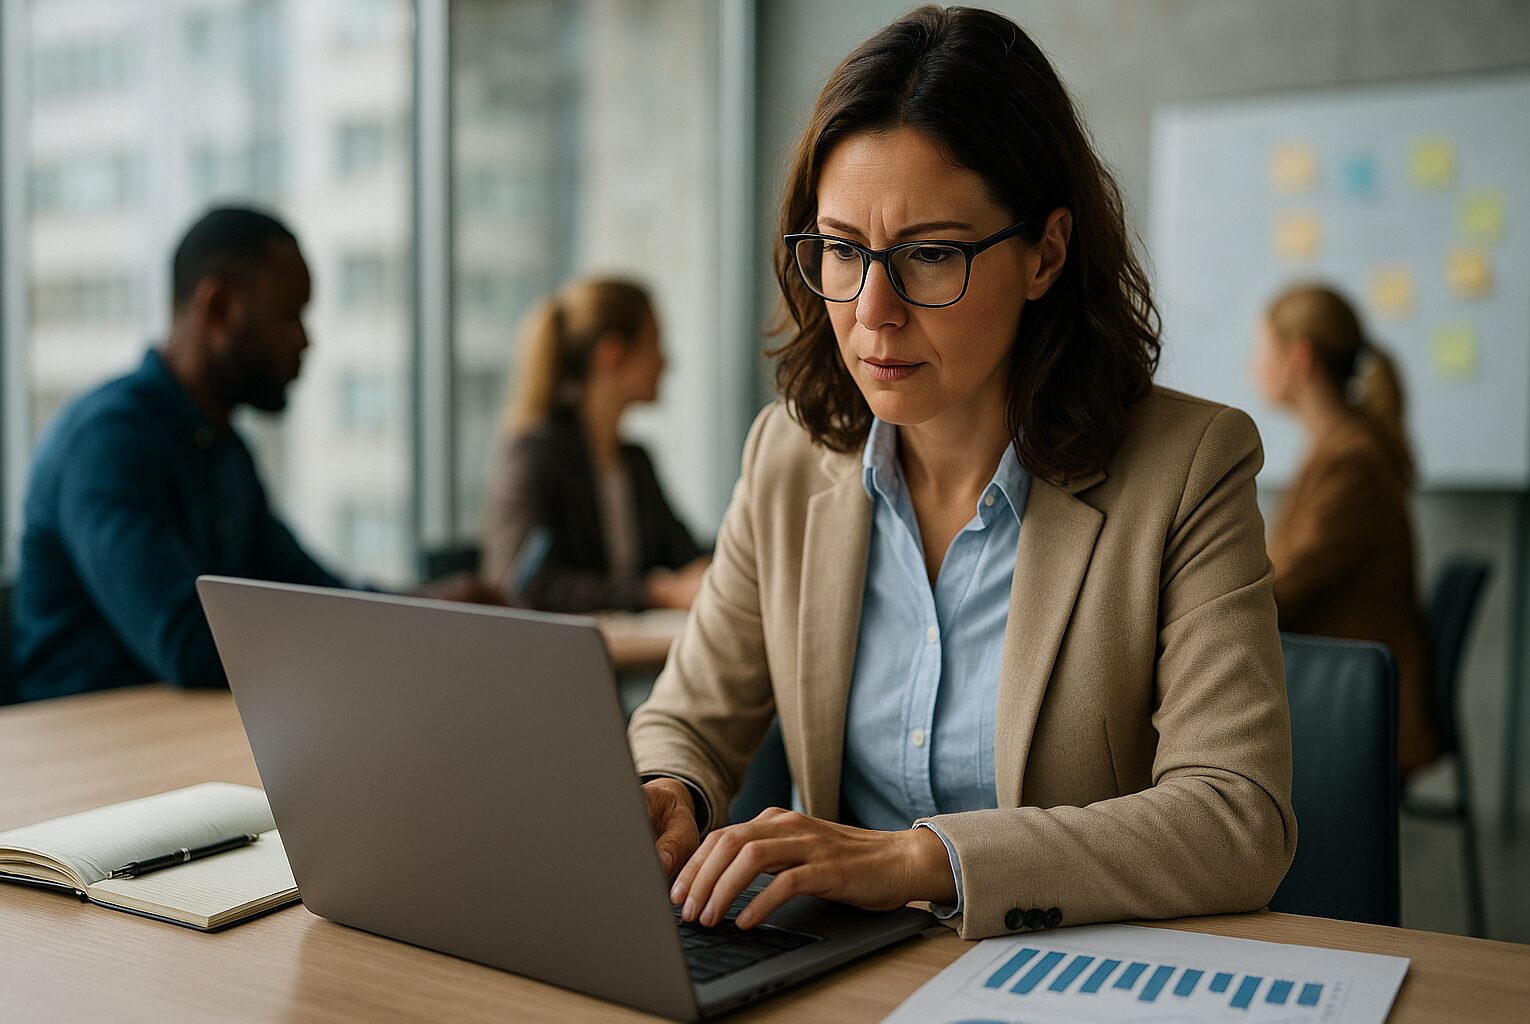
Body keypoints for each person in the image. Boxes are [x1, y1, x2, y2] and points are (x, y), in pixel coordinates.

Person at [629, 6, 1296, 941]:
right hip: (845, 983)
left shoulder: (1187, 468)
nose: (873, 313)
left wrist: (917, 859)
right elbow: (685, 719)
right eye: (843, 250)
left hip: (1070, 985)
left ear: (1046, 253)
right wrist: (671, 791)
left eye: (931, 254)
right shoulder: (786, 457)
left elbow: (1236, 818)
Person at [13, 206, 496, 703]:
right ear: (219, 307)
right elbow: (187, 643)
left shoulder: (223, 447)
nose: (305, 340)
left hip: (180, 731)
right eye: (289, 315)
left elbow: (306, 588)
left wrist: (424, 610)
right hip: (86, 751)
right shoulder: (107, 442)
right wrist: (402, 627)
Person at [1255, 283, 1440, 776]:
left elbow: (1286, 589)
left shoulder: (1350, 463)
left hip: (1351, 706)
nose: (1255, 364)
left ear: (1298, 358)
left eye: (1263, 349)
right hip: (1333, 686)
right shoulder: (1337, 450)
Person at [481, 277, 709, 613]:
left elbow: (684, 555)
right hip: (561, 659)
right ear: (612, 354)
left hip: (635, 656)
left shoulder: (635, 462)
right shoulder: (534, 456)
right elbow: (526, 584)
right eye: (654, 344)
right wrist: (655, 593)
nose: (665, 363)